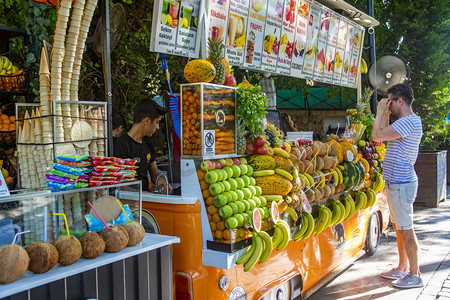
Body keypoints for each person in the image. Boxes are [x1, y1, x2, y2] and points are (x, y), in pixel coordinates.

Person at [371, 83, 423, 288]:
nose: (389, 105)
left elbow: (376, 136)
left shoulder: (408, 123)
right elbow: (383, 136)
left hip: (401, 183)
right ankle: (402, 268)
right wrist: (385, 113)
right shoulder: (406, 122)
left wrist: (379, 112)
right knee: (399, 228)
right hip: (397, 183)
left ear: (400, 101)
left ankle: (415, 274)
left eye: (391, 101)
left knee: (406, 230)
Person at [114, 99, 173, 194]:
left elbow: (155, 175)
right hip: (129, 204)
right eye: (157, 122)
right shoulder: (121, 145)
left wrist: (163, 183)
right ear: (146, 121)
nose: (157, 127)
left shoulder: (148, 144)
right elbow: (121, 186)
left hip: (146, 202)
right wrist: (145, 194)